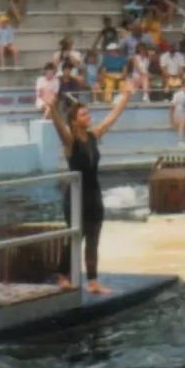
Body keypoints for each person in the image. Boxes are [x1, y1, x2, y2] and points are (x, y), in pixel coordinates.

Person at [46, 79, 134, 294]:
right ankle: (63, 275)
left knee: (93, 238)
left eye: (88, 113)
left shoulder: (94, 136)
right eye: (83, 114)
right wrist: (52, 108)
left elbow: (111, 118)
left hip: (94, 194)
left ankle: (93, 281)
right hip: (75, 196)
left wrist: (126, 97)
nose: (88, 116)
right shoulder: (70, 142)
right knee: (75, 237)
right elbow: (59, 127)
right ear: (75, 121)